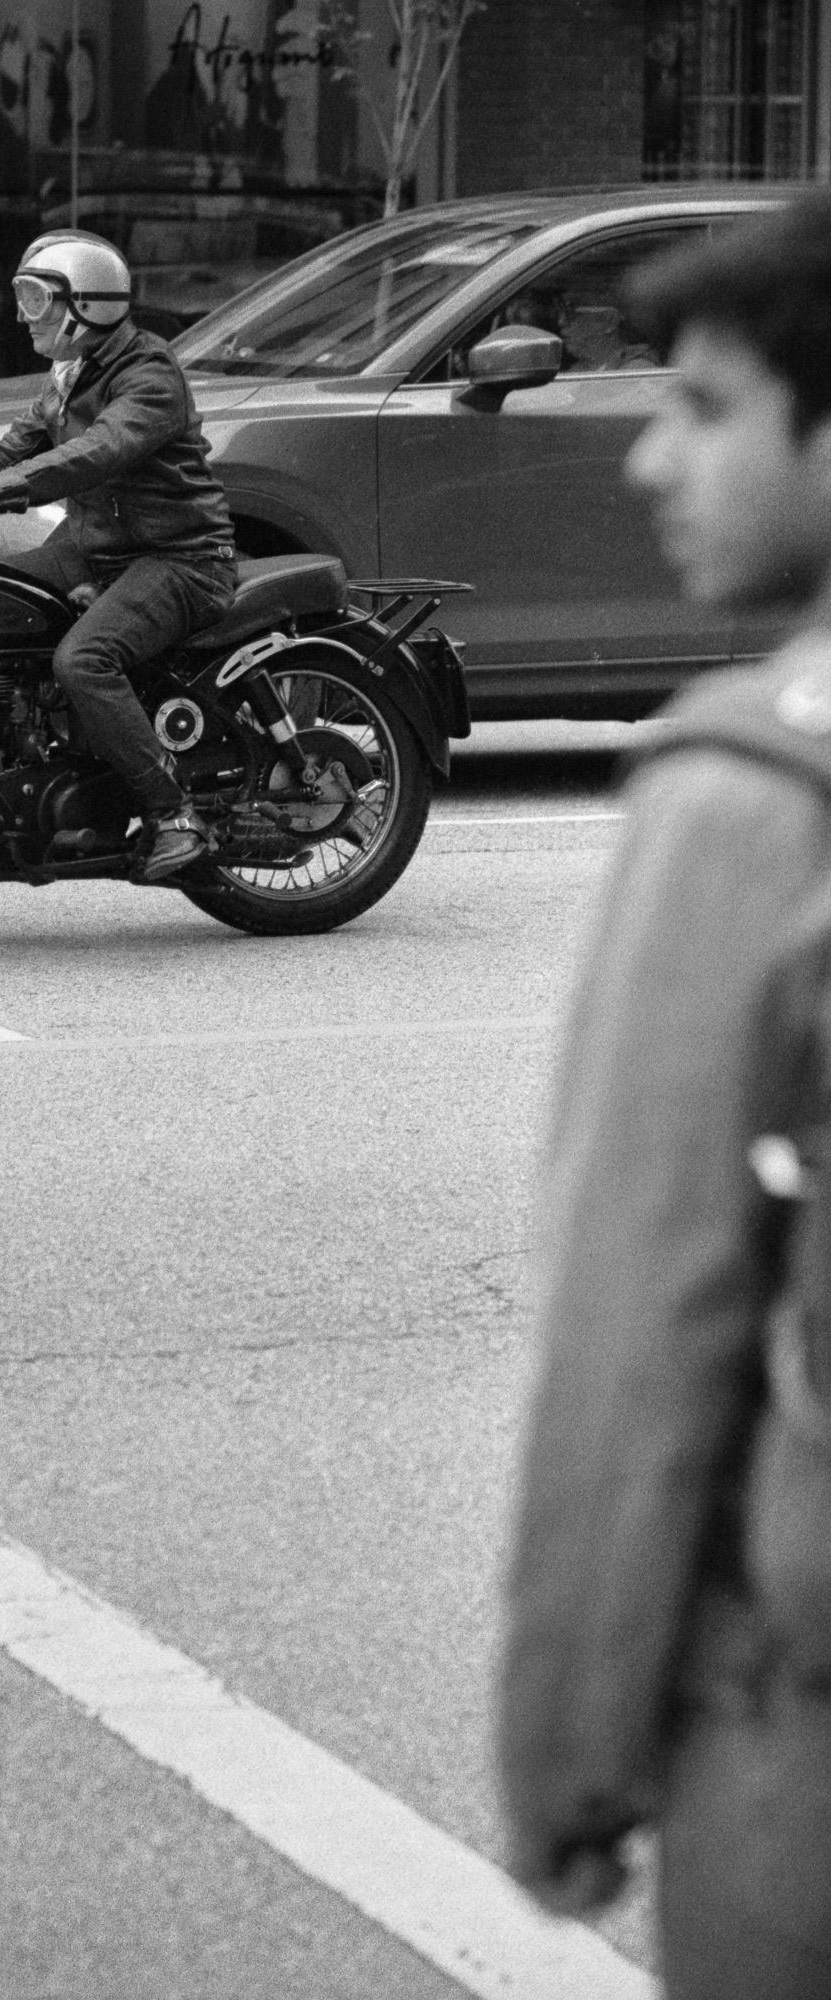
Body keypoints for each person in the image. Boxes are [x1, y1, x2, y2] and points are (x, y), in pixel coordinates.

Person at [499, 193, 831, 1998]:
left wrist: (567, 1747)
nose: (647, 459)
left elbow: (638, 1326)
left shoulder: (753, 803)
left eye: (703, 407)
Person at [0, 229, 238, 881]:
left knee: (83, 660)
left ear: (84, 305)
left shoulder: (148, 375)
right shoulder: (68, 373)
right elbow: (9, 448)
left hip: (176, 556)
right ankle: (13, 767)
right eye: (21, 297)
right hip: (94, 549)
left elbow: (94, 453)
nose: (21, 314)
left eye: (35, 299)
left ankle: (173, 815)